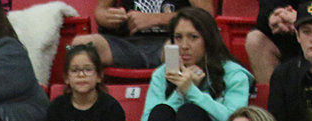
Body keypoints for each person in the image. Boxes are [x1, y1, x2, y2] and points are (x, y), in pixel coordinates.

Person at [132, 7, 252, 121]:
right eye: (178, 38)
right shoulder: (161, 74)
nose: (184, 45)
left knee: (191, 111)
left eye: (193, 37)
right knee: (161, 111)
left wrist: (192, 92)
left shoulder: (234, 74)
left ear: (208, 40)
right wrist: (180, 93)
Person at [73, 0, 215, 73]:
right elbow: (100, 12)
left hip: (167, 42)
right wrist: (110, 17)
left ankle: (174, 101)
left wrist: (157, 19)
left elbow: (206, 15)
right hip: (126, 43)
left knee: (177, 52)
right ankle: (85, 111)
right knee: (81, 45)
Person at [245, 1, 298, 84]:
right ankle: (271, 94)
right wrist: (275, 16)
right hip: (287, 40)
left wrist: (302, 17)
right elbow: (266, 9)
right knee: (255, 39)